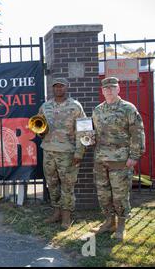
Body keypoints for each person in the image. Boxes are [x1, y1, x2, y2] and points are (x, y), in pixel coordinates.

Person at [90, 77, 145, 240]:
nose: (109, 91)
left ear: (118, 89)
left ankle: (121, 225)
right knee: (104, 193)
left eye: (112, 88)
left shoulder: (128, 108)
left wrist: (134, 156)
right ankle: (109, 222)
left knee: (120, 194)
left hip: (121, 160)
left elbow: (138, 132)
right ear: (102, 91)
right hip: (101, 160)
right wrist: (87, 137)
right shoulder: (98, 110)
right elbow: (94, 133)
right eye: (106, 89)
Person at [38, 78, 86, 229]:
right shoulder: (45, 106)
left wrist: (80, 152)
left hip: (68, 153)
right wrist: (40, 131)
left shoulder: (75, 106)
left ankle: (67, 216)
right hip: (48, 151)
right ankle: (56, 213)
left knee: (67, 185)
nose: (58, 89)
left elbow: (85, 130)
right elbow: (39, 127)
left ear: (66, 88)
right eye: (56, 86)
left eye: (61, 86)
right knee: (52, 184)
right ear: (53, 89)